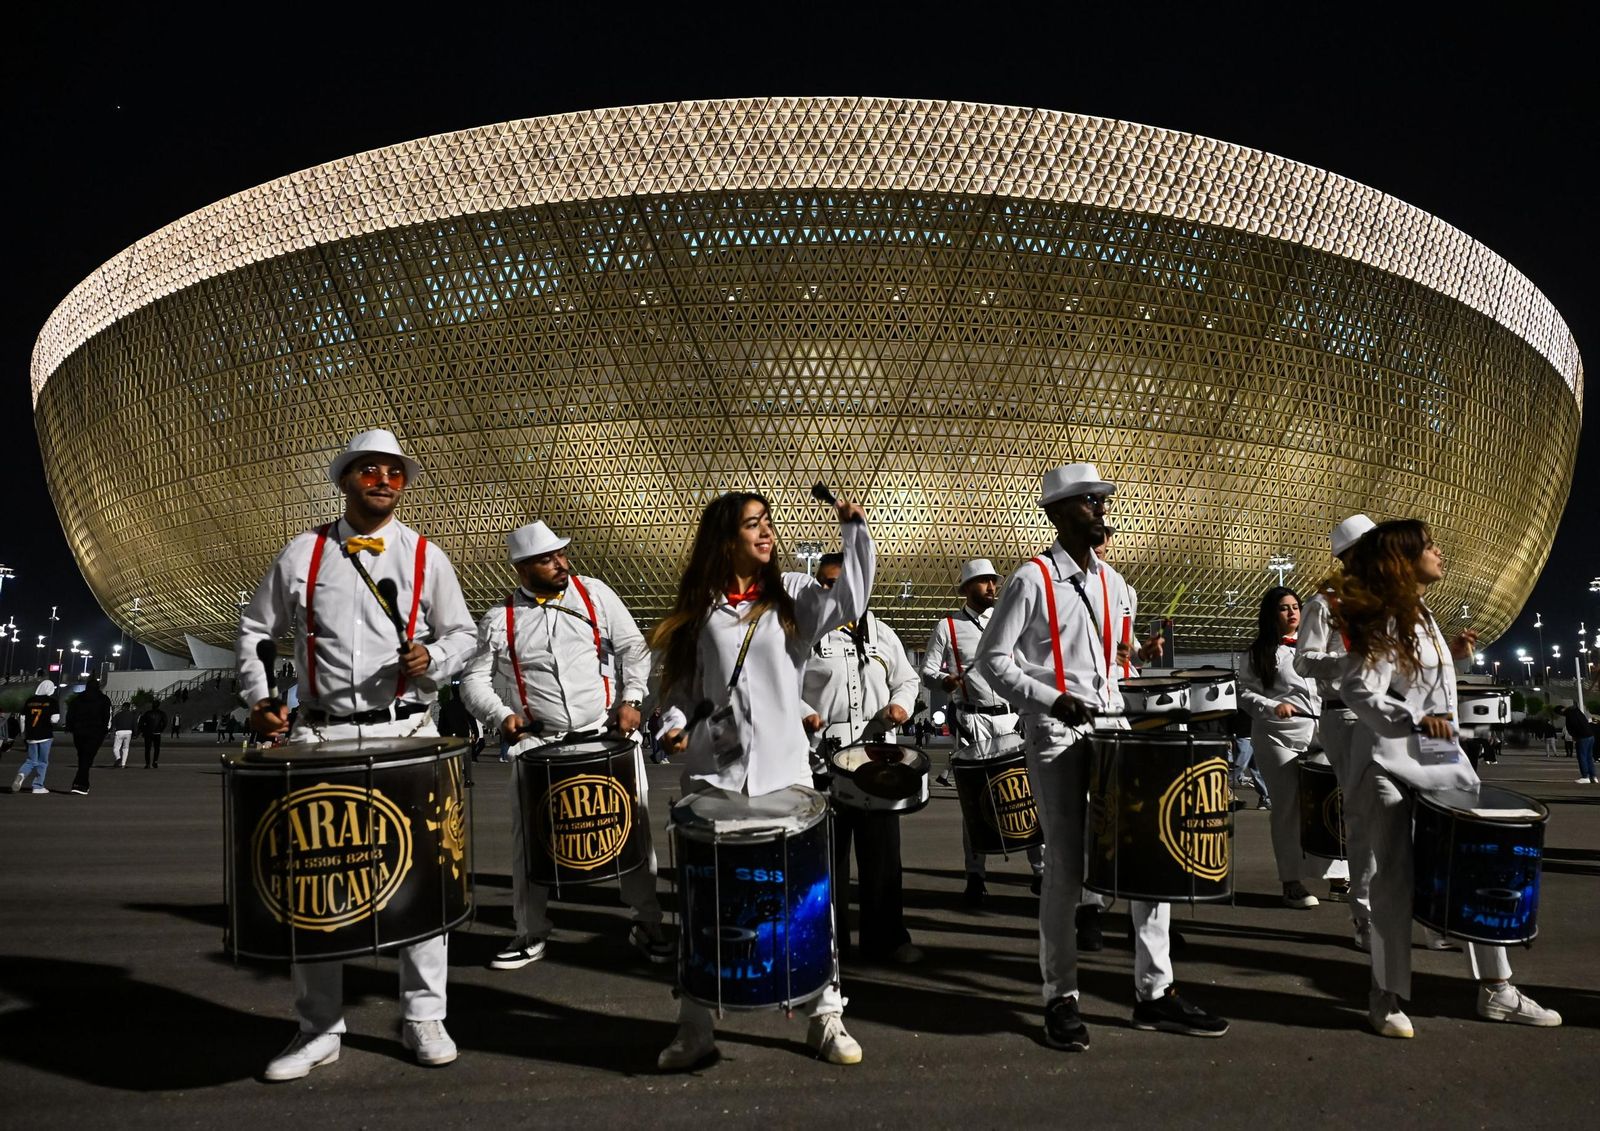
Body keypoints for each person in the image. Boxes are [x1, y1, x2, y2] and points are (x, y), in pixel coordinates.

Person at [237, 428, 477, 1080]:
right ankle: (318, 1026)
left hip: (407, 731)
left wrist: (436, 659)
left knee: (421, 881)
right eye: (369, 470)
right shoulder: (304, 551)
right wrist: (258, 695)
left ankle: (425, 1012)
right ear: (344, 480)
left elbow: (464, 632)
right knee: (317, 882)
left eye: (393, 472)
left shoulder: (428, 556)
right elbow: (258, 627)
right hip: (324, 737)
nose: (382, 480)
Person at [977, 462, 1226, 1052]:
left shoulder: (1117, 585)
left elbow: (1119, 664)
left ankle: (1155, 994)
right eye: (1087, 502)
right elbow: (993, 660)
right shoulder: (1031, 579)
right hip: (1058, 738)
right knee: (1065, 867)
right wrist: (1050, 699)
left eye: (1101, 501)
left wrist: (1140, 695)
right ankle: (1059, 997)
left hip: (1116, 732)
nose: (1099, 510)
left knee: (1148, 857)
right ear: (1058, 513)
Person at [650, 490, 873, 1070]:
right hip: (715, 779)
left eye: (768, 523)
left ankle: (826, 1016)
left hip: (785, 776)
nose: (767, 533)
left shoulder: (793, 597)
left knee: (809, 902)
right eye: (754, 525)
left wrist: (854, 533)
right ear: (726, 539)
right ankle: (695, 1027)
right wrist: (673, 724)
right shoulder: (699, 611)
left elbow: (849, 600)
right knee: (704, 904)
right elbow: (680, 692)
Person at [1336, 518, 1560, 1037]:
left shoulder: (1423, 614)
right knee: (1394, 877)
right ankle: (1384, 994)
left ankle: (1497, 990)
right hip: (1389, 758)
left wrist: (1450, 662)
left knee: (1481, 863)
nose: (1440, 553)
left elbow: (1418, 683)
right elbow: (1357, 689)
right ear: (1403, 559)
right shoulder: (1385, 616)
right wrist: (1411, 719)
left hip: (1439, 754)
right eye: (1429, 546)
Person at [459, 519, 669, 971]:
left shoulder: (594, 594)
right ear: (522, 567)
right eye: (547, 559)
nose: (560, 564)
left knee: (632, 834)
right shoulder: (500, 620)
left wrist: (632, 700)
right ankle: (530, 931)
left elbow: (633, 648)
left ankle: (649, 923)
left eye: (560, 555)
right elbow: (472, 682)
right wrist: (501, 716)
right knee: (528, 841)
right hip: (540, 746)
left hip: (606, 737)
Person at [801, 551, 921, 964]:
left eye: (836, 583)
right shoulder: (806, 636)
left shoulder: (883, 634)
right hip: (823, 760)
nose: (828, 591)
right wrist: (803, 714)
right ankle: (829, 942)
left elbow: (907, 677)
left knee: (883, 855)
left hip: (876, 760)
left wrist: (901, 705)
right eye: (824, 583)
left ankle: (887, 938)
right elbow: (780, 682)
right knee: (827, 858)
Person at [921, 559, 1044, 905]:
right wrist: (945, 680)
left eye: (994, 581)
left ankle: (1041, 871)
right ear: (966, 589)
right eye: (984, 582)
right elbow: (928, 670)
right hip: (972, 720)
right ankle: (976, 876)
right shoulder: (948, 626)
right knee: (976, 802)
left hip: (1009, 719)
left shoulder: (1007, 622)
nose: (992, 587)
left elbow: (1023, 666)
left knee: (1026, 794)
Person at [1295, 513, 1376, 947]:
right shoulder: (1323, 605)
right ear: (1350, 557)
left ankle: (1395, 907)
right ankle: (1364, 914)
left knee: (1393, 816)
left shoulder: (1385, 601)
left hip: (1385, 713)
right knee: (1362, 814)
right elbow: (1303, 660)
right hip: (1344, 712)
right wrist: (1349, 662)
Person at [1241, 587, 1350, 909]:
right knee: (1287, 808)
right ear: (1271, 615)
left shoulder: (1315, 648)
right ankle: (1291, 881)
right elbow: (1244, 693)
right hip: (1279, 736)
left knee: (1333, 802)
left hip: (1321, 732)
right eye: (1283, 608)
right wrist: (1271, 706)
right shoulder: (1259, 653)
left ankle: (1338, 877)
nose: (1292, 613)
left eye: (1295, 607)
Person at [66, 678, 112, 796]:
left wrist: (70, 727)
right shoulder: (104, 699)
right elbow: (106, 716)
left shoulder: (78, 699)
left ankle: (81, 783)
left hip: (79, 731)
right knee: (87, 758)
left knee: (82, 756)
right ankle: (80, 784)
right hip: (95, 732)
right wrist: (105, 729)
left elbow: (70, 714)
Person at [13, 680, 61, 794]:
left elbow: (23, 718)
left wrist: (23, 733)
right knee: (43, 762)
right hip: (45, 734)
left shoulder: (29, 701)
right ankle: (38, 786)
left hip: (31, 734)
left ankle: (21, 775)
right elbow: (55, 719)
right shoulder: (52, 702)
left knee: (30, 760)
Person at [1564, 702, 1595, 783]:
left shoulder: (1570, 715)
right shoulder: (1578, 712)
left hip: (1582, 737)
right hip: (1590, 736)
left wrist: (1575, 736)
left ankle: (1585, 776)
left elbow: (1572, 727)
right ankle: (1593, 776)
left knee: (1582, 757)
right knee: (1589, 757)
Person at [138, 703, 167, 768]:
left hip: (148, 732)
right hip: (157, 733)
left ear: (152, 706)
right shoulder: (161, 713)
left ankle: (147, 763)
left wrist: (143, 731)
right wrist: (161, 729)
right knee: (157, 748)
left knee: (147, 749)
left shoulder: (147, 713)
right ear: (158, 706)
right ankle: (155, 762)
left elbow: (141, 722)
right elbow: (165, 722)